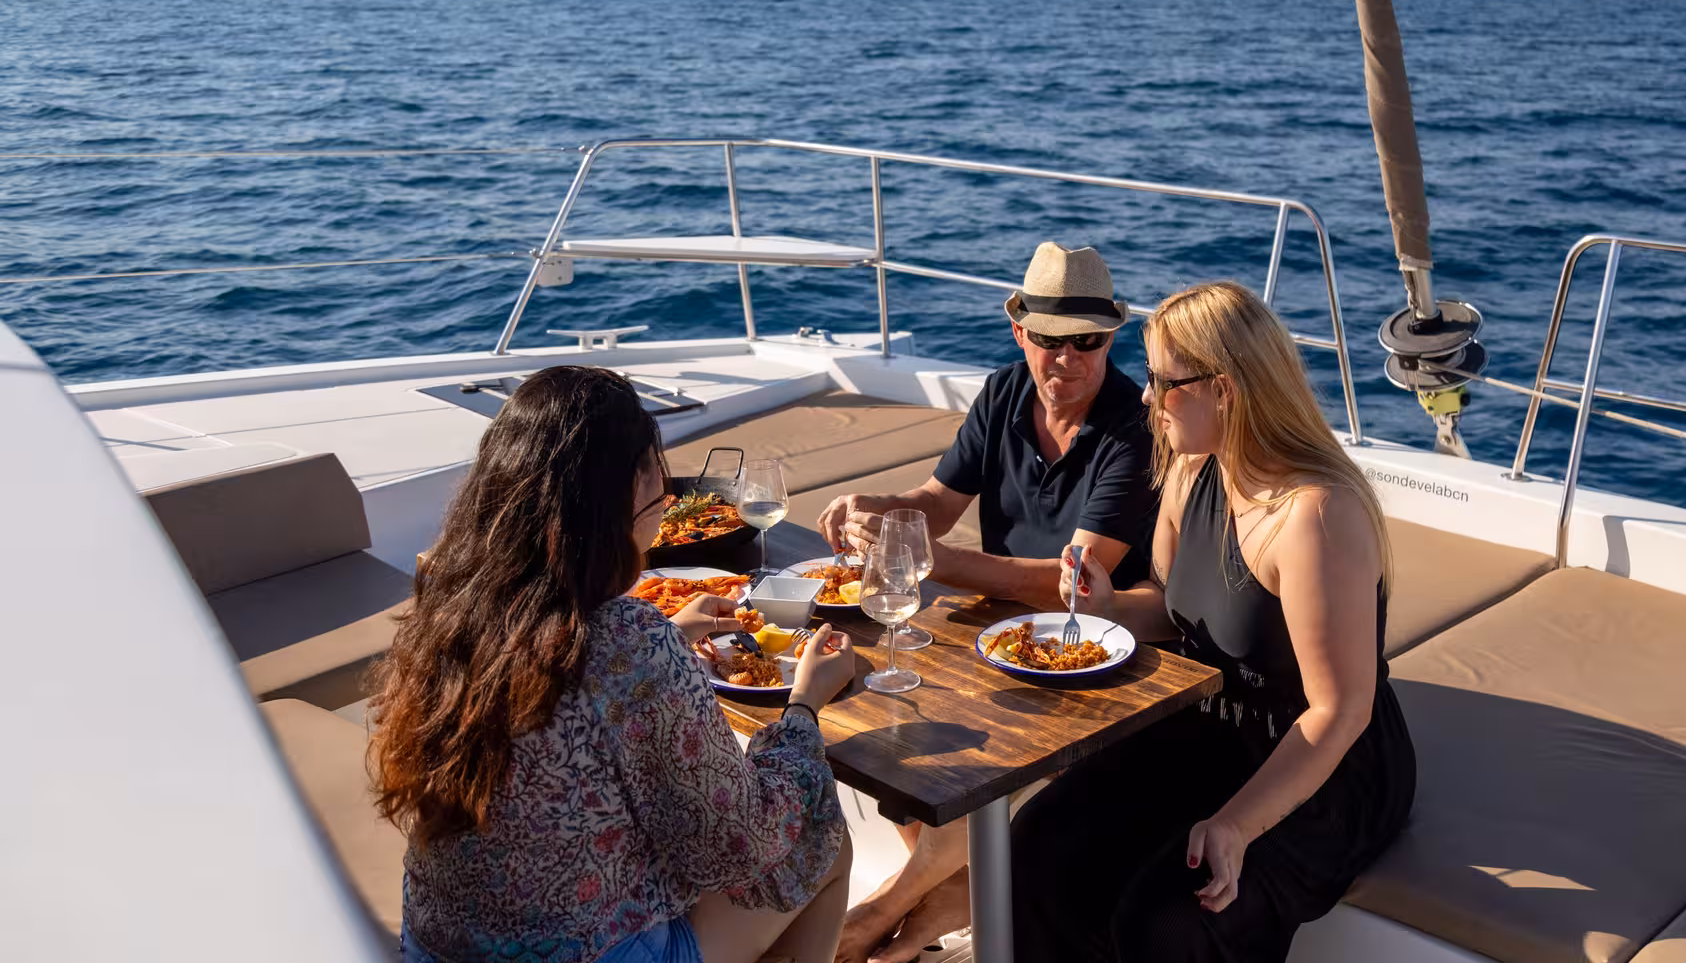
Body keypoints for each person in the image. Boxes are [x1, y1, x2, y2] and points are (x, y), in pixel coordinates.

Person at [369, 365, 857, 963]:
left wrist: (668, 640)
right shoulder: (628, 644)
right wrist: (803, 706)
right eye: (657, 467)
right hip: (591, 953)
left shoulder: (450, 603)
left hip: (438, 943)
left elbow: (562, 692)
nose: (668, 492)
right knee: (824, 845)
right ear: (622, 491)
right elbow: (740, 842)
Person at [1011, 280, 1417, 963]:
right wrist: (1108, 603)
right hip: (1211, 732)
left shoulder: (1314, 515)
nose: (1144, 396)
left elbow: (1339, 711)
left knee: (1168, 921)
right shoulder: (1191, 469)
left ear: (1224, 389)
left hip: (1323, 767)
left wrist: (1235, 826)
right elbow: (1172, 606)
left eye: (1162, 381)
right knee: (1039, 842)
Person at [816, 242, 1159, 963]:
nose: (1066, 359)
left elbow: (1076, 582)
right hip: (999, 642)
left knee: (957, 767)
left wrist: (934, 563)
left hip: (1097, 653)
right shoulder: (1005, 392)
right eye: (1048, 341)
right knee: (891, 736)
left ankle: (881, 915)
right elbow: (935, 503)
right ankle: (951, 904)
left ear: (1112, 340)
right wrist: (883, 510)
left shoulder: (1134, 428)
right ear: (1019, 334)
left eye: (1087, 343)